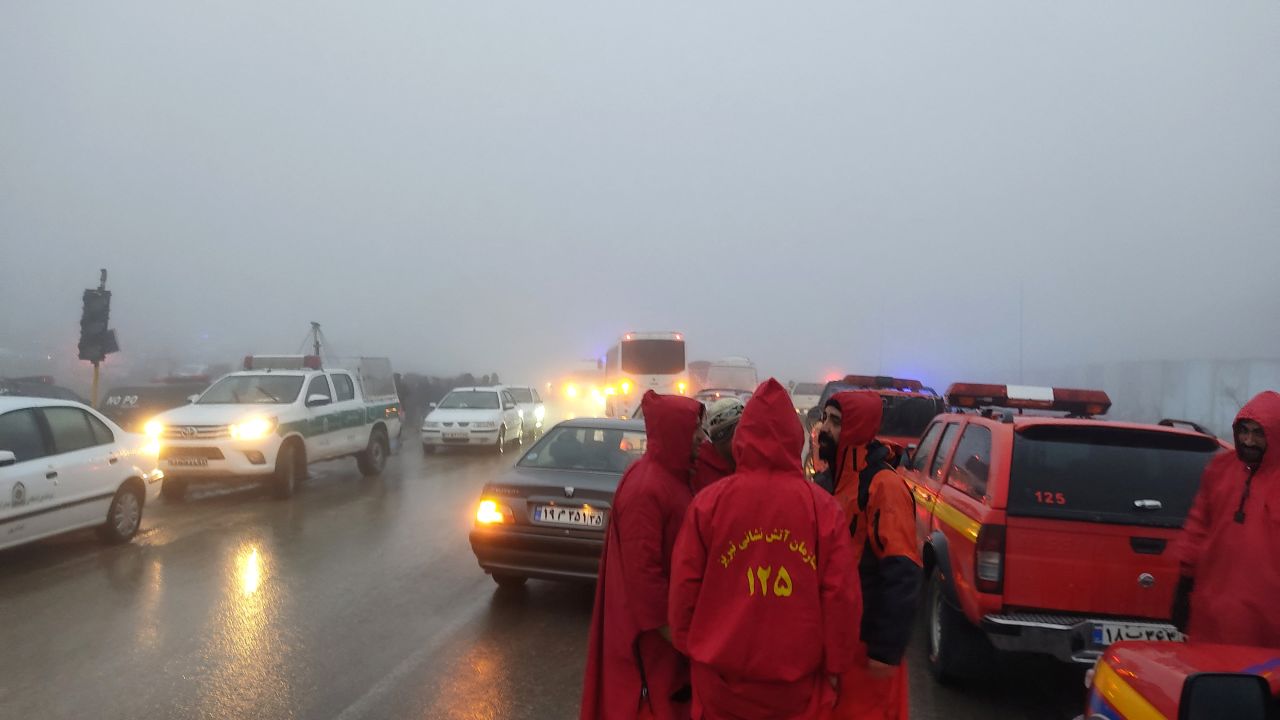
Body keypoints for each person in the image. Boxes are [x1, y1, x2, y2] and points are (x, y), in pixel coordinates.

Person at [668, 379, 861, 719]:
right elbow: (840, 596)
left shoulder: (708, 505)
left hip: (719, 688)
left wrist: (689, 645)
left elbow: (685, 588)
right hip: (795, 694)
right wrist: (837, 663)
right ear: (795, 437)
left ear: (744, 436)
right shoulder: (822, 510)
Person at [582, 390, 705, 720]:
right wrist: (683, 641)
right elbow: (644, 578)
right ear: (675, 430)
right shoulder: (646, 487)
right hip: (651, 644)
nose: (700, 437)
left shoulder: (670, 476)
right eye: (694, 428)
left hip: (668, 637)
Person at [814, 391, 921, 720]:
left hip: (867, 651)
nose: (824, 429)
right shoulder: (826, 483)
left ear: (857, 428)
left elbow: (903, 572)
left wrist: (885, 651)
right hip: (834, 646)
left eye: (836, 422)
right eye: (825, 419)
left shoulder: (883, 487)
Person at [1172, 390, 1280, 648]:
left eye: (1258, 433)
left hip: (1268, 615)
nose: (1249, 440)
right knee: (1212, 678)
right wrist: (1185, 583)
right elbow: (1197, 527)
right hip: (1214, 607)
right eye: (1244, 431)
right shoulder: (1220, 470)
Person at [691, 397, 745, 494]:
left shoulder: (742, 462)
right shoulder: (703, 474)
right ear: (721, 437)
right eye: (740, 432)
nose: (746, 439)